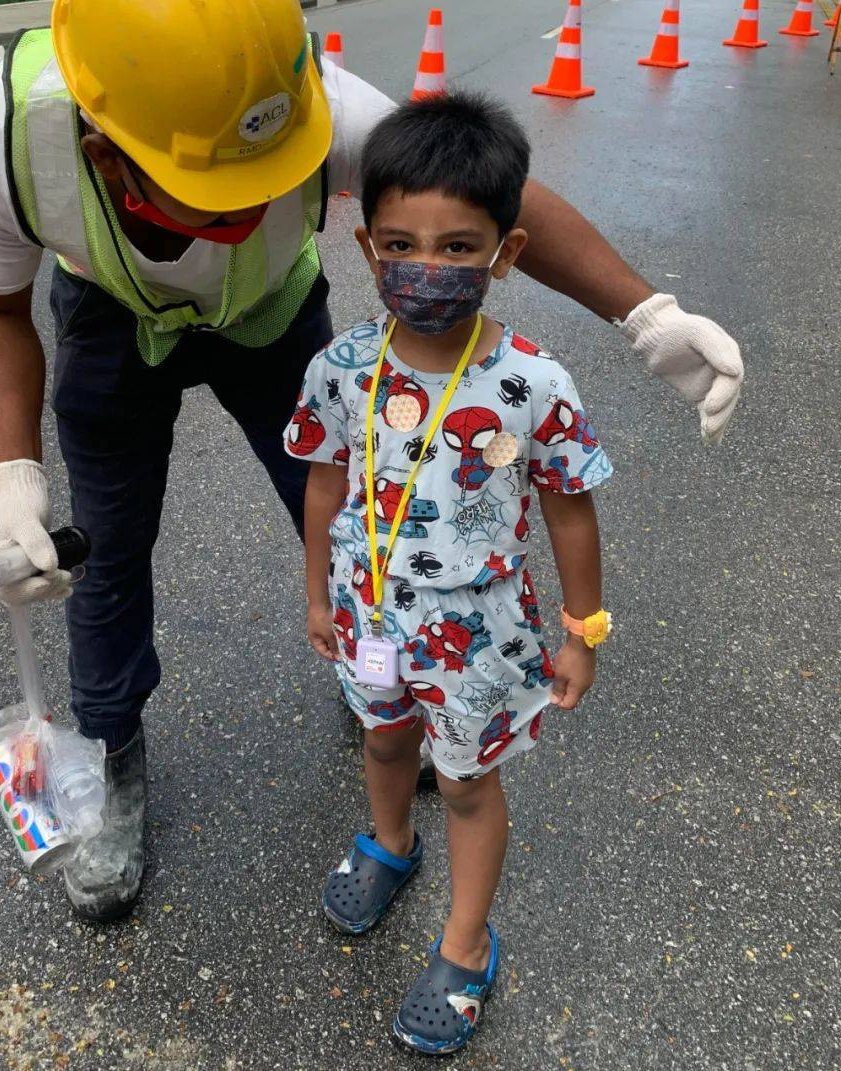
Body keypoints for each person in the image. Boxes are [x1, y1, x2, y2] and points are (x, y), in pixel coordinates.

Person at [0, 0, 742, 925]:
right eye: (218, 195)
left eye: (274, 175)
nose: (258, 200)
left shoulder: (309, 106)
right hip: (110, 316)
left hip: (274, 319)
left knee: (362, 504)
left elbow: (496, 203)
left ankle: (386, 687)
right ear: (108, 155)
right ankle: (106, 747)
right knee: (106, 540)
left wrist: (646, 313)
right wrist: (12, 479)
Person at [287, 91, 612, 1054]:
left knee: (468, 783)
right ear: (365, 247)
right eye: (401, 243)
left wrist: (583, 630)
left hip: (480, 637)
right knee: (383, 743)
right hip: (367, 614)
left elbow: (569, 504)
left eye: (458, 247)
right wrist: (317, 595)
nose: (426, 267)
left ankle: (467, 944)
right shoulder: (342, 368)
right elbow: (322, 485)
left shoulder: (534, 385)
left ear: (505, 253)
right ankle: (389, 844)